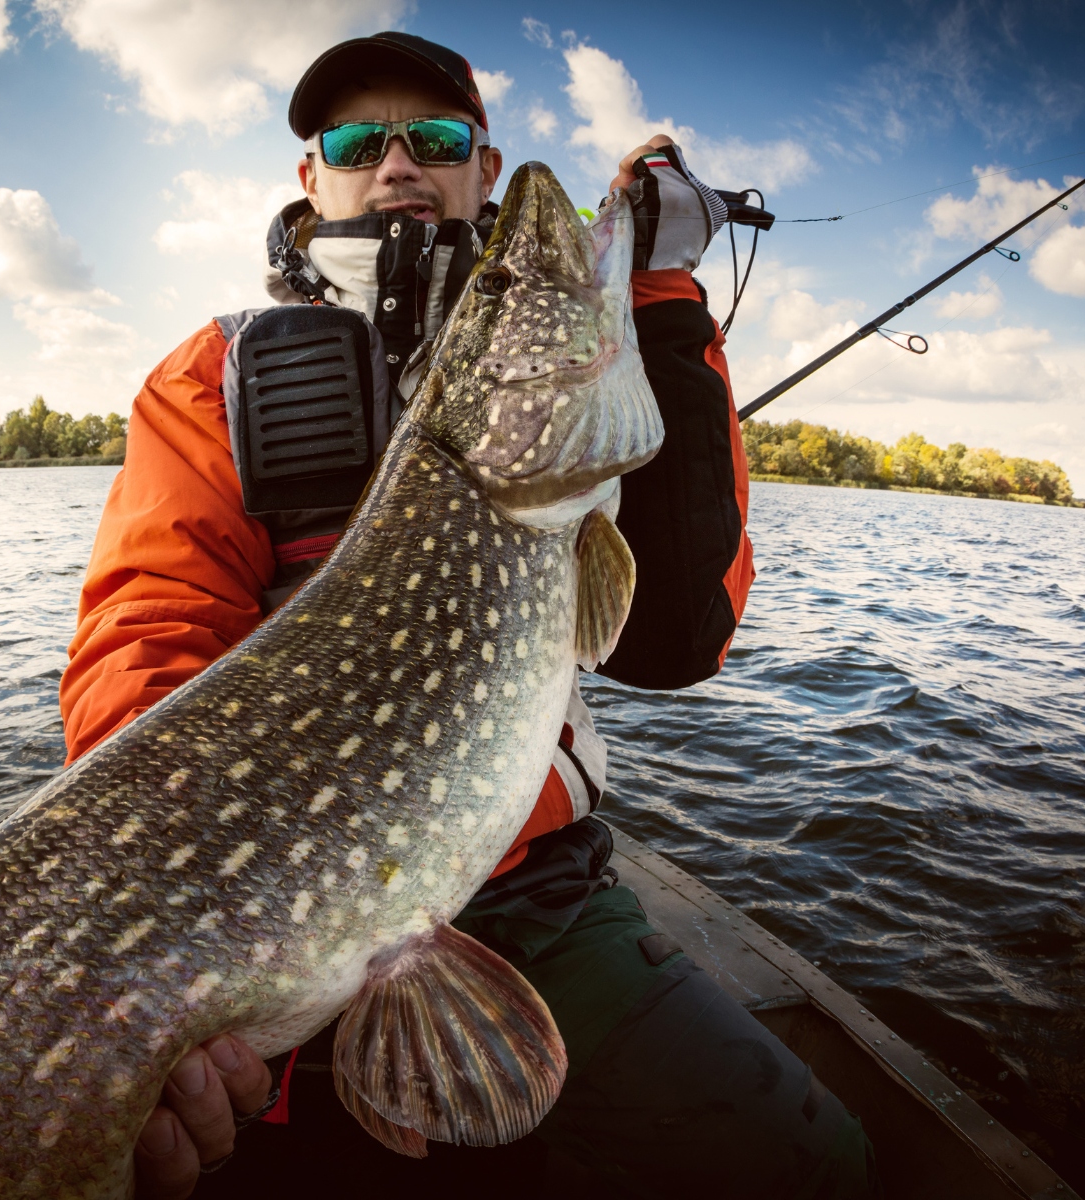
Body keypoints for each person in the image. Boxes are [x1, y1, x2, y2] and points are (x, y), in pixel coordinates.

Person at [60, 31, 876, 1200]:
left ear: (481, 169)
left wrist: (659, 290)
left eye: (436, 138)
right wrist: (203, 917)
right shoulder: (211, 375)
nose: (398, 162)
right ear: (313, 178)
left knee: (812, 1169)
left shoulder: (571, 408)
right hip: (259, 905)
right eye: (356, 139)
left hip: (532, 889)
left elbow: (675, 637)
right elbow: (144, 633)